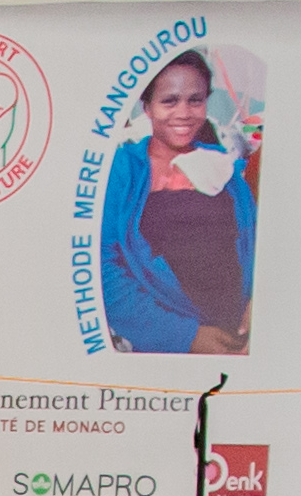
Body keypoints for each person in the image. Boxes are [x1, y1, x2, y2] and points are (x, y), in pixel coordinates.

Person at [94, 48, 257, 358]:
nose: (184, 112)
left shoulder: (222, 167)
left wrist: (258, 305)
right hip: (167, 344)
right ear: (148, 108)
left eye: (195, 100)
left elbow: (260, 245)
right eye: (169, 101)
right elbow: (102, 268)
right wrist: (184, 337)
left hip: (237, 335)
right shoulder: (121, 170)